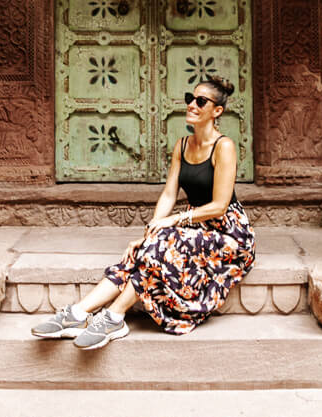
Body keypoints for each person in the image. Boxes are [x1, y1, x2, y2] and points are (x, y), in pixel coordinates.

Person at [32, 76, 256, 350]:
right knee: (145, 248)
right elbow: (169, 195)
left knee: (159, 247)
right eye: (190, 99)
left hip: (228, 234)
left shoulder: (225, 147)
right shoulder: (183, 145)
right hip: (194, 226)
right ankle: (79, 313)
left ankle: (114, 315)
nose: (192, 105)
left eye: (201, 101)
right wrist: (151, 230)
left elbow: (220, 205)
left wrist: (172, 221)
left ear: (217, 111)